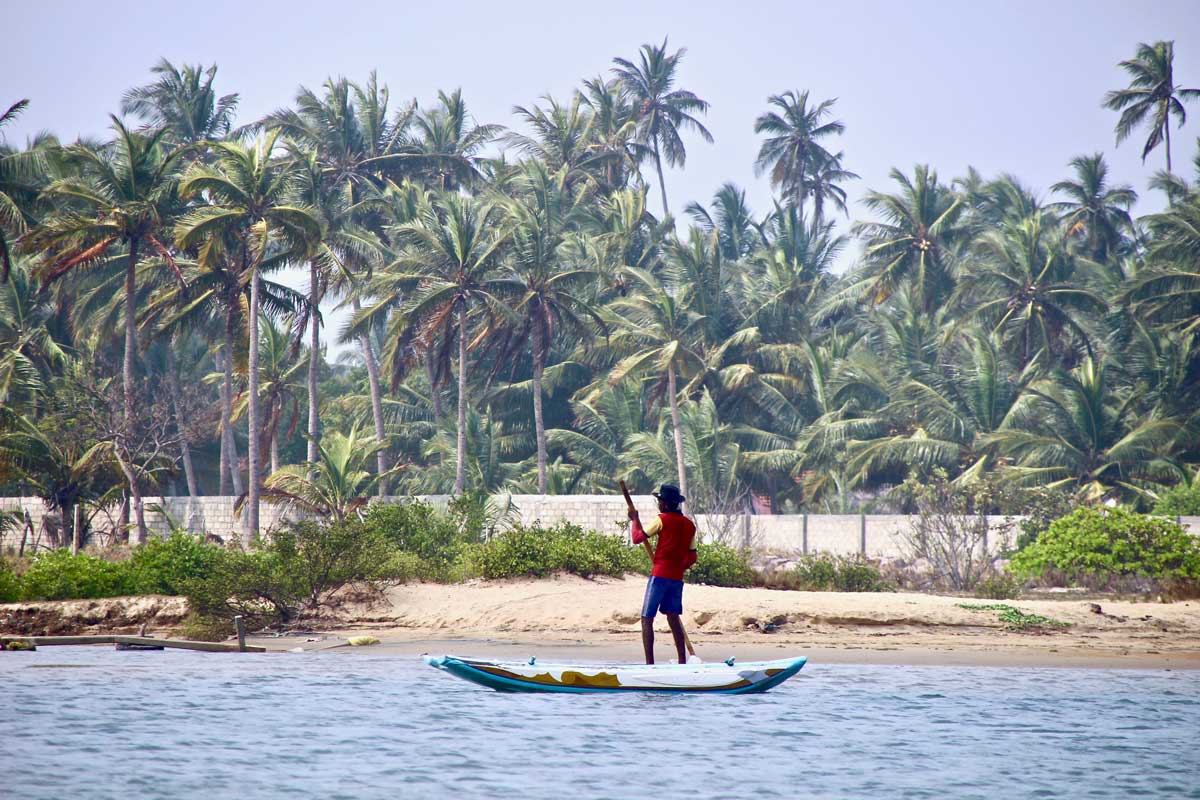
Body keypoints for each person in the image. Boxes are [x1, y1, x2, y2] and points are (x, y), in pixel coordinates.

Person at [628, 484, 698, 664]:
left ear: (665, 504)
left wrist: (634, 520)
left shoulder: (662, 519)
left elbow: (637, 538)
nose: (658, 504)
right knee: (673, 617)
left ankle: (649, 664)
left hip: (659, 576)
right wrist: (678, 566)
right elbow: (692, 557)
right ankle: (682, 661)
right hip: (677, 579)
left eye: (660, 501)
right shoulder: (690, 526)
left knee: (646, 619)